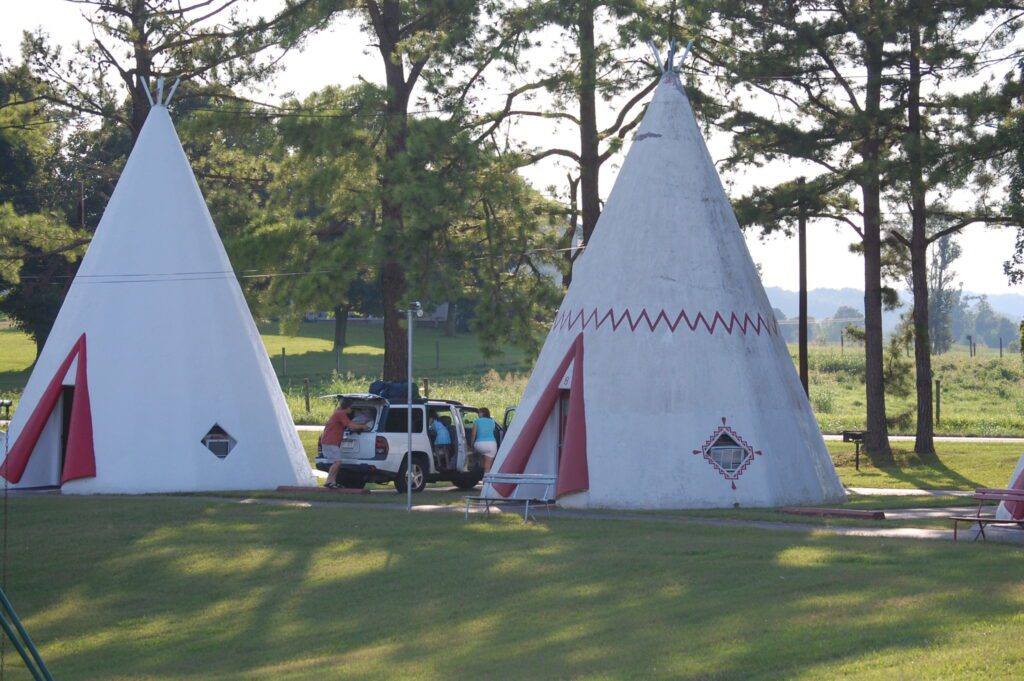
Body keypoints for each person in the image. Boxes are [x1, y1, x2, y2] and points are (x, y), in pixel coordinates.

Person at [322, 398, 370, 489]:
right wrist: (363, 426)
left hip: (331, 440)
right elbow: (351, 426)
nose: (352, 411)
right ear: (347, 408)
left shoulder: (338, 411)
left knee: (337, 462)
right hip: (330, 441)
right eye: (351, 408)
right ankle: (328, 481)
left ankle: (333, 482)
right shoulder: (340, 414)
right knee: (337, 462)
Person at [469, 408, 498, 473]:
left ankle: (478, 463)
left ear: (482, 413)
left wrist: (472, 445)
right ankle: (487, 481)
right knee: (488, 466)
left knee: (476, 452)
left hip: (479, 444)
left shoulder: (477, 421)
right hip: (491, 444)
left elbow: (473, 434)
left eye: (479, 413)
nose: (478, 414)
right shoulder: (492, 421)